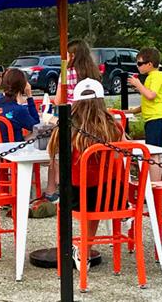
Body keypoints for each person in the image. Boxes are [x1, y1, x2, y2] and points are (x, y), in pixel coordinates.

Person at [47, 77, 124, 270]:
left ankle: (81, 252)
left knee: (84, 193)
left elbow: (54, 154)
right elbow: (120, 154)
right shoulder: (114, 127)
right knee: (96, 192)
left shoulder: (68, 128)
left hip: (76, 197)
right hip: (112, 197)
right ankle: (85, 251)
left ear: (75, 102)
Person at [45, 39, 102, 203]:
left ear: (72, 55)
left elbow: (58, 100)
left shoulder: (66, 72)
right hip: (92, 118)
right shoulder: (94, 72)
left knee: (58, 152)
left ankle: (53, 188)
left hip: (72, 117)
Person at [128, 47, 162, 181]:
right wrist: (131, 111)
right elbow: (148, 101)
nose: (137, 66)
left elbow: (151, 95)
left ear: (149, 64)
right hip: (153, 119)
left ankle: (154, 185)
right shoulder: (152, 77)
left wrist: (138, 84)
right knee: (155, 153)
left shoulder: (156, 76)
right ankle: (155, 184)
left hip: (156, 119)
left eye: (140, 63)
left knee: (153, 154)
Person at [0, 68, 38, 143]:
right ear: (24, 86)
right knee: (38, 134)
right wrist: (29, 96)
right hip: (11, 148)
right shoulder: (18, 110)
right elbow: (36, 126)